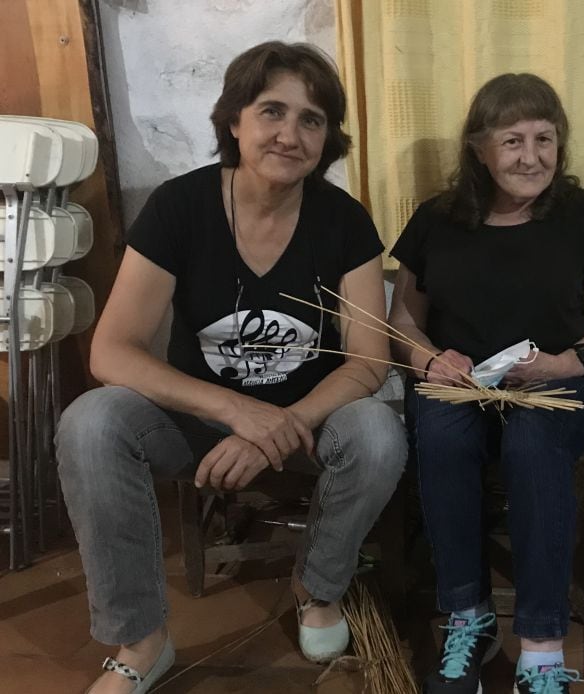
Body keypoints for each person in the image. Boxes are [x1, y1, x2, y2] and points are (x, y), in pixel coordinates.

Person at [56, 42, 407, 694]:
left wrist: (277, 423)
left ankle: (318, 587)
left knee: (379, 433)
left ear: (328, 138)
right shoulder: (178, 207)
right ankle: (143, 640)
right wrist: (235, 411)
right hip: (198, 416)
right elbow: (111, 351)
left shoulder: (344, 224)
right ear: (235, 121)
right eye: (272, 110)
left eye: (312, 119)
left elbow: (367, 362)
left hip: (310, 419)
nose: (289, 134)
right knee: (90, 422)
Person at [388, 73, 584, 694]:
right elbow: (404, 319)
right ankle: (468, 618)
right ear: (478, 148)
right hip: (460, 383)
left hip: (557, 382)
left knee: (530, 441)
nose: (531, 157)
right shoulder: (437, 220)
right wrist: (428, 359)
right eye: (513, 140)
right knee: (438, 433)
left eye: (544, 139)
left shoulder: (582, 215)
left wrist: (564, 361)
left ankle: (543, 645)